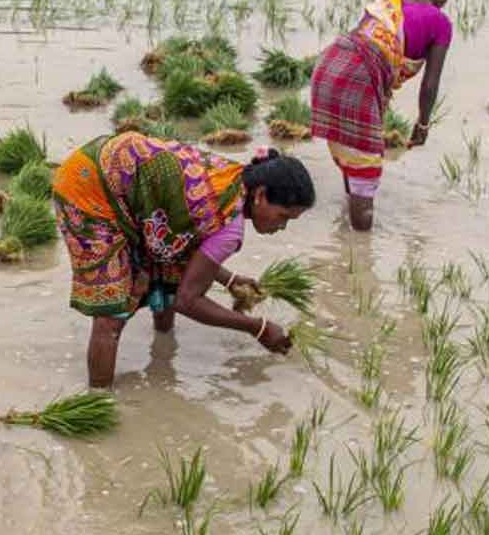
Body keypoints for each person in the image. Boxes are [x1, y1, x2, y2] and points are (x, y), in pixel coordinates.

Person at [52, 132, 316, 387]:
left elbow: (190, 245)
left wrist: (229, 280)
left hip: (111, 170)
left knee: (168, 269)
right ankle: (99, 400)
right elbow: (187, 301)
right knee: (111, 315)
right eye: (283, 216)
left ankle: (162, 353)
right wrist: (257, 328)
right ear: (260, 196)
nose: (282, 227)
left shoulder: (233, 178)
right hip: (88, 190)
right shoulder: (229, 227)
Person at [310, 0, 456, 231]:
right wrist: (423, 124)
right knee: (365, 173)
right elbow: (430, 85)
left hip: (328, 67)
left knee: (353, 159)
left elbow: (366, 47)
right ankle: (360, 260)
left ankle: (347, 239)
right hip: (358, 81)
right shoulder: (440, 22)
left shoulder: (386, 4)